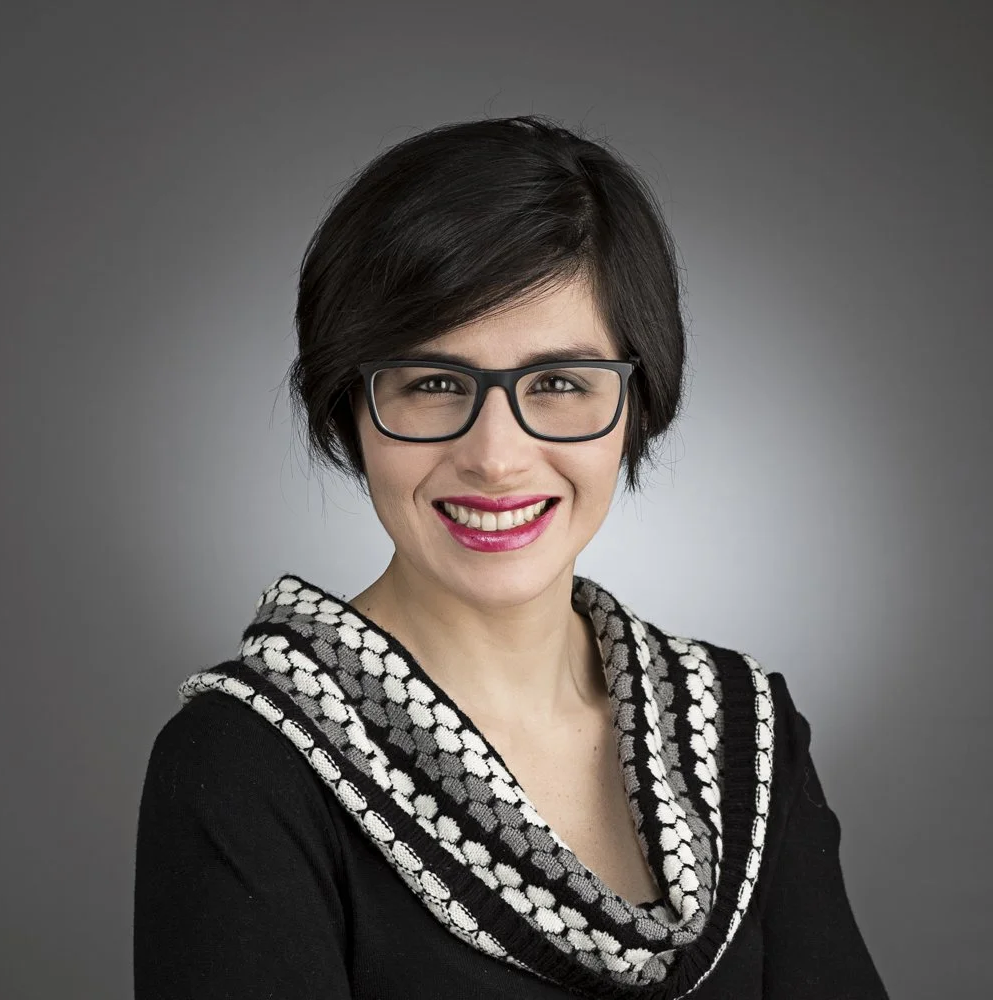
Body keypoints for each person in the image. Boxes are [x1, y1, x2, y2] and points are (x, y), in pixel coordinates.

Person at [133, 115, 889, 999]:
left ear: (638, 404)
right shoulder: (240, 763)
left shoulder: (742, 730)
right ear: (350, 408)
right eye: (433, 383)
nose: (495, 457)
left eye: (559, 383)